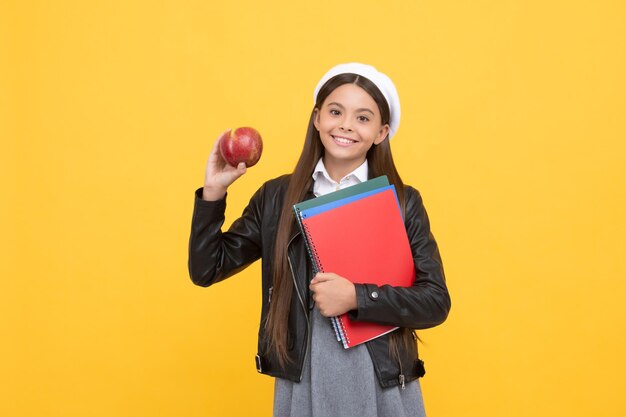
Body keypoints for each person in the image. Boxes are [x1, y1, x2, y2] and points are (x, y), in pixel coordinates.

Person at [188, 63, 451, 417]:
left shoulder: (402, 201)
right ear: (316, 118)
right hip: (305, 374)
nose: (345, 125)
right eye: (335, 111)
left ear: (381, 132)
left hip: (381, 377)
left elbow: (434, 301)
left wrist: (356, 297)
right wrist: (213, 194)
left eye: (363, 118)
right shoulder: (278, 197)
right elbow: (207, 268)